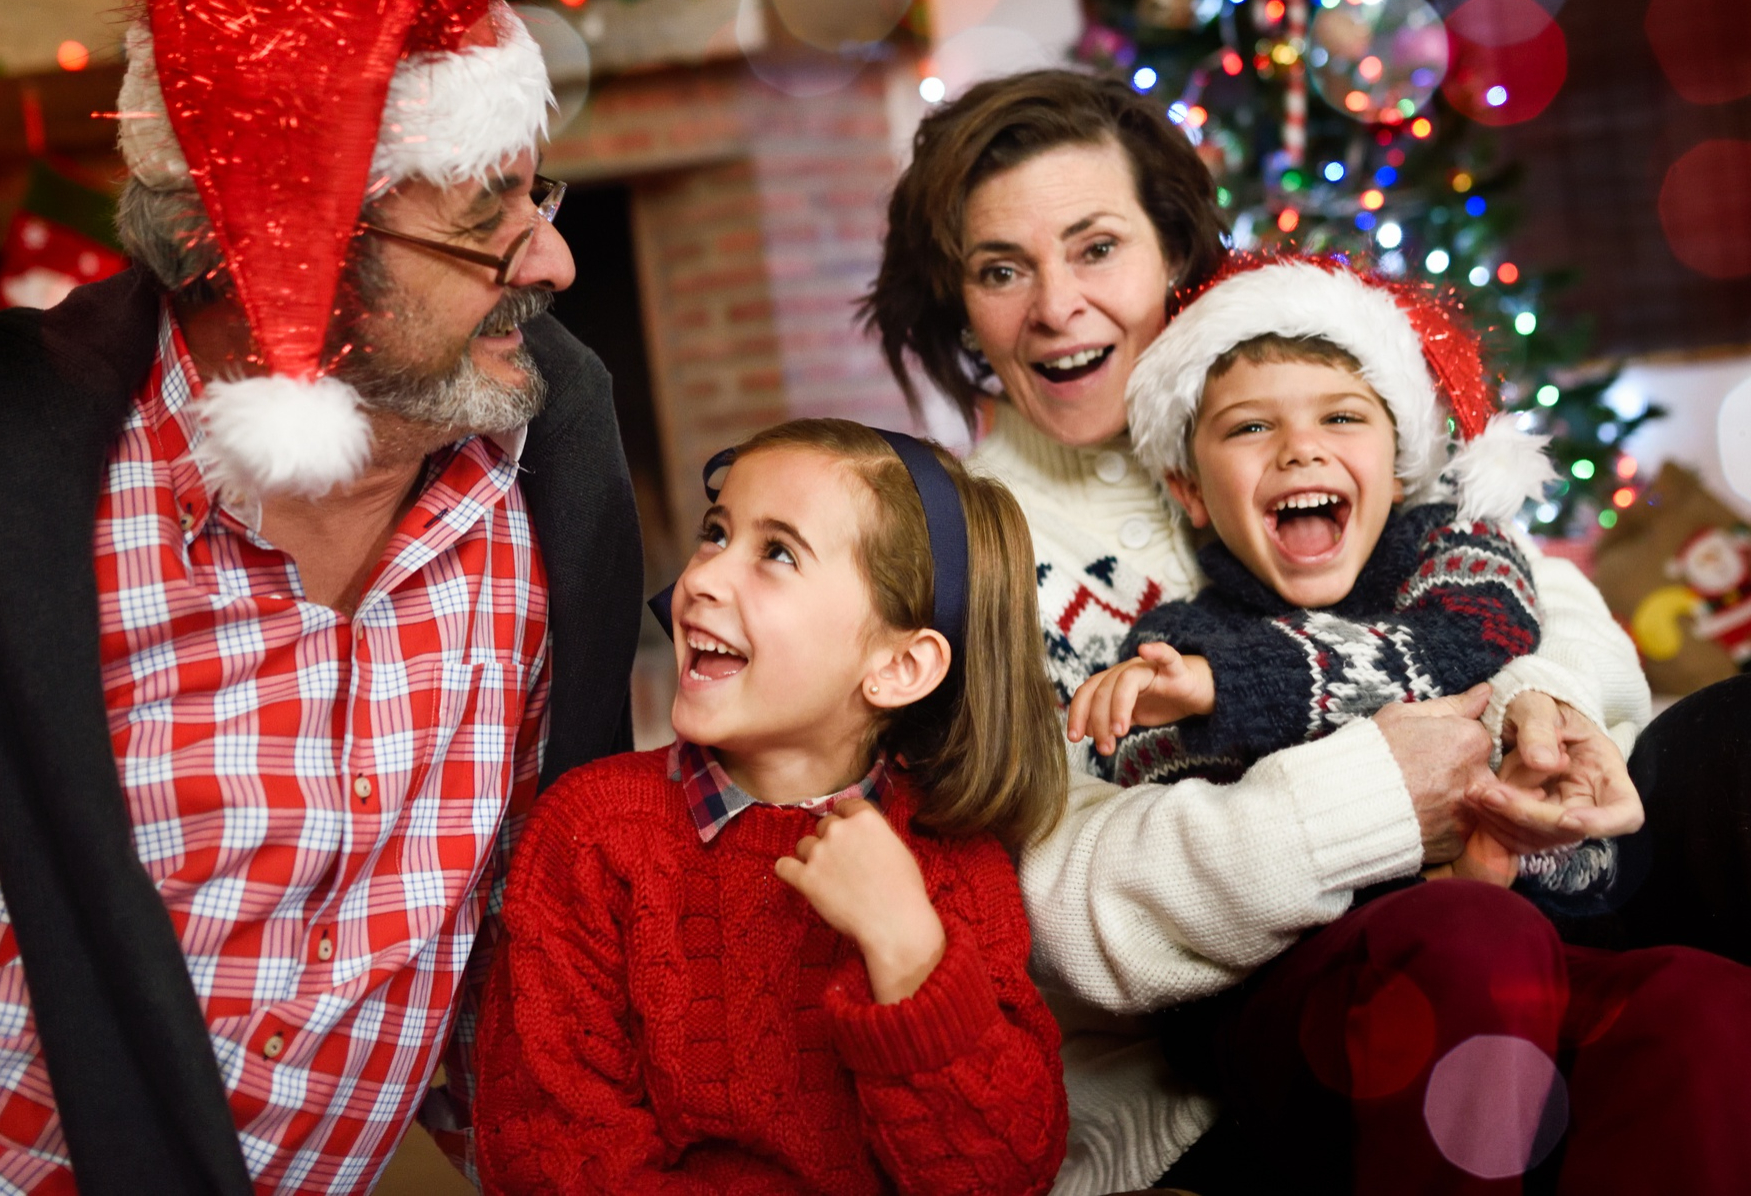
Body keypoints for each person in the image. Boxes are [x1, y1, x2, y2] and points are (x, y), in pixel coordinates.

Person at [0, 0, 640, 1196]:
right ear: (269, 253)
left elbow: (523, 979)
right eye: (482, 216)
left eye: (535, 194)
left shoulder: (547, 500)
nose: (554, 258)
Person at [860, 70, 1734, 1194]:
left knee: (1713, 881)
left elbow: (1534, 598)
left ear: (1173, 252)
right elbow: (1047, 924)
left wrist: (1538, 713)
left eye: (1094, 248)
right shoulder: (970, 552)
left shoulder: (1297, 385)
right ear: (957, 306)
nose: (1052, 307)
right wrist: (1375, 792)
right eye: (998, 270)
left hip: (1512, 897)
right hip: (1223, 1063)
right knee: (1473, 953)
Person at [473, 419, 1069, 1194]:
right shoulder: (592, 834)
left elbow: (1007, 1171)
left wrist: (910, 950)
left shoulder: (951, 857)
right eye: (715, 533)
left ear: (899, 665)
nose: (704, 578)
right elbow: (551, 1154)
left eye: (777, 552)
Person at [1073, 257, 1586, 895]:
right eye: (1251, 427)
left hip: (1568, 897)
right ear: (1191, 489)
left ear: (1399, 463)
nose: (1300, 448)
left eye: (1341, 418)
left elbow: (1472, 642)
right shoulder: (1178, 640)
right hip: (1349, 941)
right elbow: (1151, 778)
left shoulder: (1451, 541)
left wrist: (1229, 688)